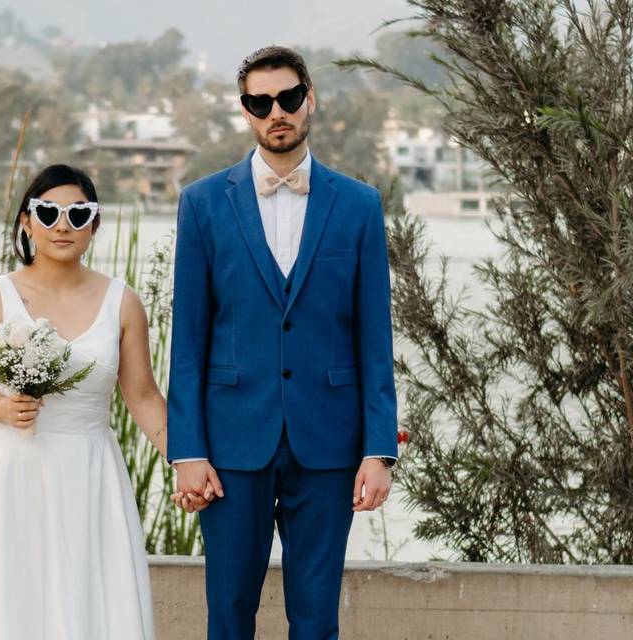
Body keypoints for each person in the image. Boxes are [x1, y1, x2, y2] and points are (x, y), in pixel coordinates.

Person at [167, 45, 398, 639]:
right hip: (231, 445)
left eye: (289, 98)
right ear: (245, 111)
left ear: (309, 99)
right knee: (229, 615)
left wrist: (379, 450)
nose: (277, 111)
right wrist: (186, 451)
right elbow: (187, 342)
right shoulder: (200, 204)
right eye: (260, 101)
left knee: (317, 620)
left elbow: (375, 341)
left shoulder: (360, 205)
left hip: (329, 445)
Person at [0, 164, 165, 639]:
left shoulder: (123, 302)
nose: (62, 225)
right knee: (9, 598)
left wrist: (187, 459)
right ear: (27, 222)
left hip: (89, 470)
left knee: (87, 598)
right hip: (10, 469)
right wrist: (4, 408)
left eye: (77, 213)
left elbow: (144, 395)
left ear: (95, 224)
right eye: (48, 212)